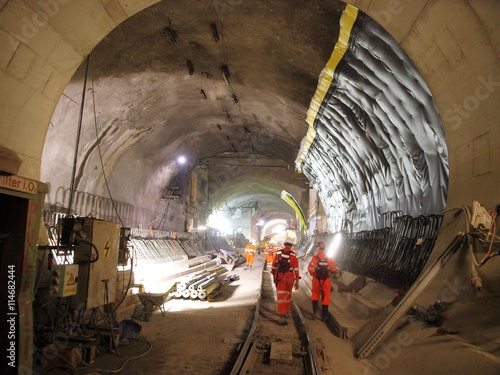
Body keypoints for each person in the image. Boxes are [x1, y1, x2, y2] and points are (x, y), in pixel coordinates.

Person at [271, 240, 300, 325]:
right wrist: (297, 281)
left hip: (280, 276)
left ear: (284, 245)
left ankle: (282, 315)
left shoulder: (278, 253)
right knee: (288, 295)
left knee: (281, 296)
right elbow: (296, 269)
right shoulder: (294, 255)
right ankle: (287, 312)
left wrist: (274, 276)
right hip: (290, 277)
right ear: (291, 246)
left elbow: (273, 266)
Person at [307, 241, 336, 321]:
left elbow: (310, 268)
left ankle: (315, 313)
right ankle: (324, 317)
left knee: (315, 295)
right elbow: (333, 269)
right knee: (326, 297)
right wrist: (328, 274)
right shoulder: (329, 258)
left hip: (316, 280)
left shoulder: (315, 258)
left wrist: (314, 274)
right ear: (324, 248)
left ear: (317, 248)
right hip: (326, 280)